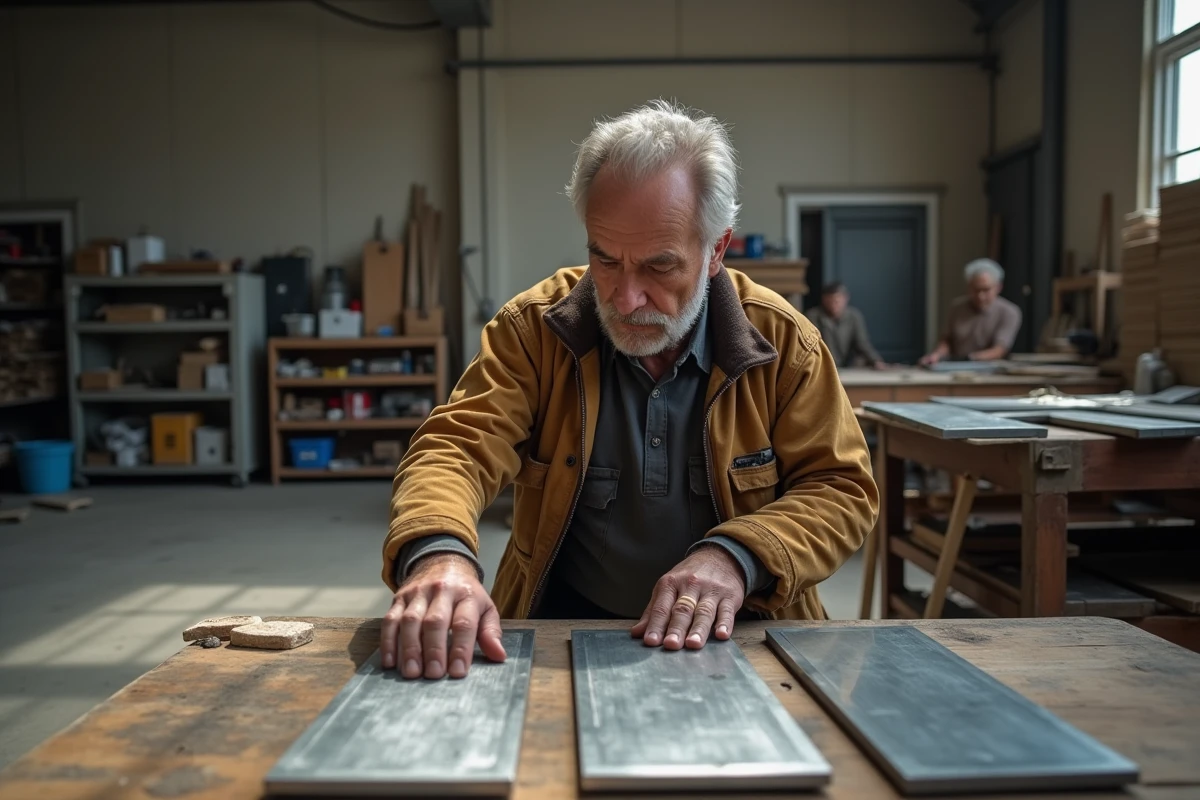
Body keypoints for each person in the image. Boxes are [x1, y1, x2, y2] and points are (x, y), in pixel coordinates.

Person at [379, 100, 879, 680]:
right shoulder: (534, 331)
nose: (624, 297)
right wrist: (439, 553)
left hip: (744, 631)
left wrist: (736, 558)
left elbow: (841, 488)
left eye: (659, 267)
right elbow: (455, 449)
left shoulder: (785, 346)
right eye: (605, 259)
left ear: (716, 249)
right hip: (557, 633)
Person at [920, 258, 1022, 365]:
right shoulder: (957, 308)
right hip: (955, 367)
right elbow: (947, 340)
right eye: (976, 289)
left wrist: (970, 359)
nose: (980, 296)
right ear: (968, 286)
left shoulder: (1010, 312)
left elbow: (999, 349)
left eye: (986, 290)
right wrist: (937, 355)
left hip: (991, 369)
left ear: (998, 287)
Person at [804, 282, 885, 369]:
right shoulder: (813, 316)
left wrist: (876, 361)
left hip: (847, 364)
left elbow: (862, 343)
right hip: (821, 365)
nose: (833, 305)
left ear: (845, 299)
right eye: (830, 301)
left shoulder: (853, 317)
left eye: (837, 301)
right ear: (824, 299)